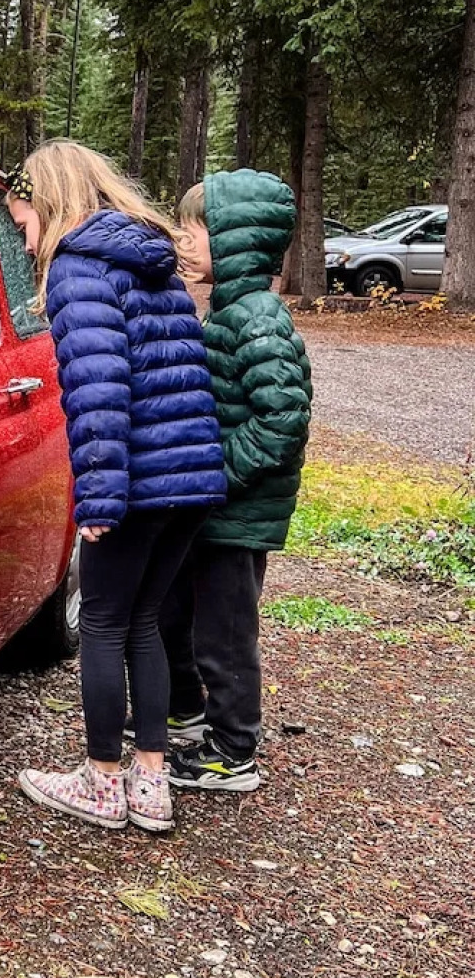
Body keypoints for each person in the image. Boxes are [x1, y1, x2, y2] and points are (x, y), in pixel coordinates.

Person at [6, 140, 227, 832]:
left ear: (48, 202)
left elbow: (101, 389)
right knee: (143, 624)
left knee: (102, 622)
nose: (26, 241)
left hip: (136, 479)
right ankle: (151, 784)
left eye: (23, 225)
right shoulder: (150, 260)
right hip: (191, 477)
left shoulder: (79, 266)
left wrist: (99, 495)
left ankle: (103, 781)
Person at [159, 170, 312, 791]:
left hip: (237, 510)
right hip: (214, 507)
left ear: (233, 239)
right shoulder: (230, 308)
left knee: (224, 632)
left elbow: (284, 419)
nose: (183, 239)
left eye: (194, 229)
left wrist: (215, 471)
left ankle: (233, 751)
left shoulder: (257, 319)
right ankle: (193, 715)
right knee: (181, 614)